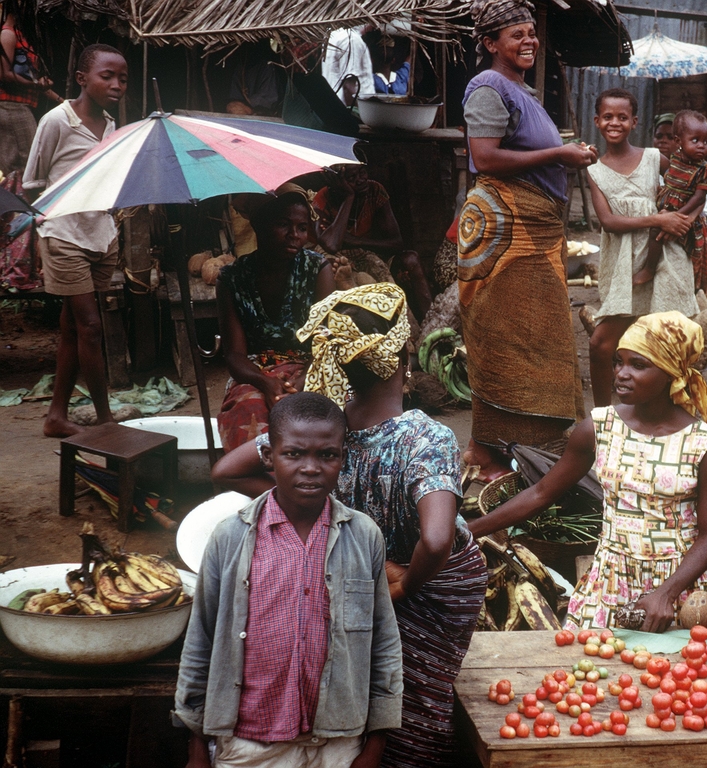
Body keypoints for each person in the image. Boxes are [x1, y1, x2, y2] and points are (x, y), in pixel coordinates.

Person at [212, 284, 486, 767]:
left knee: (363, 675)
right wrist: (404, 585)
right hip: (429, 580)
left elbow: (224, 470)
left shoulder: (323, 430)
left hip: (358, 567)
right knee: (414, 697)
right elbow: (439, 538)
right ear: (404, 354)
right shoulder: (427, 437)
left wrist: (305, 498)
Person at [175, 392, 402, 768]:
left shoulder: (364, 537)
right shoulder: (230, 538)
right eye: (294, 454)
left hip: (338, 742)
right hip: (248, 744)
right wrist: (195, 743)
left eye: (327, 455)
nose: (310, 467)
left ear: (342, 459)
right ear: (268, 457)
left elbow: (383, 643)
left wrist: (375, 745)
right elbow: (201, 640)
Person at [468, 311, 707, 632]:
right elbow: (542, 492)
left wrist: (666, 594)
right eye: (619, 361)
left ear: (671, 372)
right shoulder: (599, 427)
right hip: (612, 580)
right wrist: (471, 529)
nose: (621, 373)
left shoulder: (703, 445)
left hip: (680, 585)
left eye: (638, 365)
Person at [459, 0, 596, 479]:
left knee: (534, 336)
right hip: (507, 227)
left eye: (531, 33)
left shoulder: (519, 89)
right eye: (516, 35)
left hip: (533, 225)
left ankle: (501, 448)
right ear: (490, 44)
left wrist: (564, 154)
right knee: (512, 336)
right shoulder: (486, 87)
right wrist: (559, 153)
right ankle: (503, 452)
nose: (528, 42)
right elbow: (486, 158)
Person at [23, 44, 126, 438]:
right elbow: (34, 184)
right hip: (63, 234)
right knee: (91, 326)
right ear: (82, 79)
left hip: (100, 237)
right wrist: (48, 228)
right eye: (107, 76)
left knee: (72, 327)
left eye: (122, 79)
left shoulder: (114, 127)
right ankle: (105, 420)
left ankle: (56, 416)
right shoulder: (57, 121)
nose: (116, 85)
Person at [585, 89, 697, 407]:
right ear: (597, 121)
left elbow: (695, 183)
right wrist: (658, 219)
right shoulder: (595, 171)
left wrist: (682, 219)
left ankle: (669, 413)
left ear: (634, 122)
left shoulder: (652, 158)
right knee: (601, 344)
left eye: (622, 117)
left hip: (662, 261)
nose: (615, 123)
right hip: (623, 267)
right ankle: (603, 416)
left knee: (662, 341)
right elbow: (608, 221)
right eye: (608, 117)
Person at [216, 190, 335, 452]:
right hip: (256, 372)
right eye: (283, 224)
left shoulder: (317, 270)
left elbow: (328, 340)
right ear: (258, 225)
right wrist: (265, 383)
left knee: (321, 415)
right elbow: (235, 355)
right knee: (249, 409)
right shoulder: (232, 279)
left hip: (312, 366)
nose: (295, 235)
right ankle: (263, 487)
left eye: (302, 228)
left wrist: (304, 379)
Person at [313, 163, 432, 320]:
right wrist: (349, 197)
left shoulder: (375, 191)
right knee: (348, 274)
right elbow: (331, 245)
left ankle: (432, 321)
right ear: (338, 181)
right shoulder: (323, 198)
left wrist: (356, 241)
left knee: (408, 260)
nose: (361, 180)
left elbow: (396, 243)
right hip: (339, 259)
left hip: (370, 254)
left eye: (362, 172)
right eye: (351, 177)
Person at [643, 110, 707, 293]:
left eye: (706, 142)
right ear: (679, 142)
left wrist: (677, 215)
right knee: (655, 237)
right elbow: (669, 183)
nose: (701, 146)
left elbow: (699, 198)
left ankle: (690, 290)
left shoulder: (705, 170)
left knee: (689, 256)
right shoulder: (674, 161)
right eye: (695, 141)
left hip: (686, 217)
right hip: (667, 212)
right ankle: (651, 272)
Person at [0, 3, 56, 177]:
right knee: (27, 165)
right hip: (11, 107)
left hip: (19, 106)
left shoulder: (21, 36)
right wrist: (35, 85)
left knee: (21, 164)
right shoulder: (8, 34)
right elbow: (4, 74)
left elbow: (32, 80)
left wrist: (63, 102)